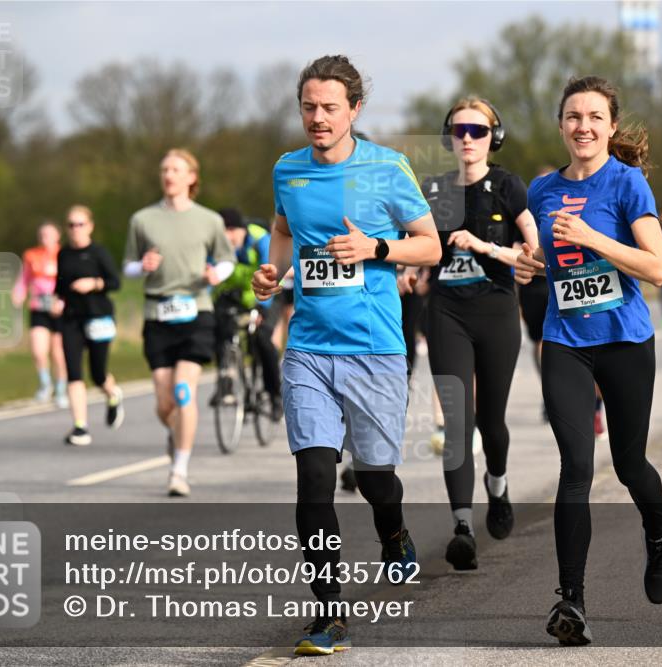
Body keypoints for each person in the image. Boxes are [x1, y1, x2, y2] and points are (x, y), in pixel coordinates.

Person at [251, 55, 440, 656]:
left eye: (330, 107)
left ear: (355, 109)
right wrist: (273, 270)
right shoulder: (288, 170)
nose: (318, 117)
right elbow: (282, 229)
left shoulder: (388, 168)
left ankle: (395, 532)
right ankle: (329, 615)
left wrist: (374, 247)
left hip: (375, 349)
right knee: (313, 481)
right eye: (308, 106)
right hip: (308, 348)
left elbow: (430, 246)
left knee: (378, 477)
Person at [515, 76, 662, 646]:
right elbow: (548, 257)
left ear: (610, 126)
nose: (582, 126)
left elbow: (656, 268)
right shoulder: (541, 191)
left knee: (631, 465)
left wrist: (592, 237)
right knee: (576, 470)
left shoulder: (627, 184)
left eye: (594, 117)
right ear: (561, 125)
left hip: (625, 343)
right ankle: (572, 603)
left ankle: (658, 536)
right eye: (572, 117)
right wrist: (531, 264)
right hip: (565, 343)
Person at [417, 96, 539, 571]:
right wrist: (411, 271)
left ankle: (499, 483)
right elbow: (420, 244)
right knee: (456, 423)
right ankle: (463, 527)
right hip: (446, 310)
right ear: (449, 136)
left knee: (491, 420)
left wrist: (485, 245)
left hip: (495, 311)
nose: (468, 139)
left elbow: (535, 254)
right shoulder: (433, 189)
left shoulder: (509, 187)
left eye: (478, 131)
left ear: (494, 137)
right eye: (460, 131)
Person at [123, 148, 235, 496]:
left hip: (196, 311)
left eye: (176, 169)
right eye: (164, 169)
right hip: (158, 314)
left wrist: (216, 272)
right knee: (164, 401)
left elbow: (227, 260)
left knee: (184, 391)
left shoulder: (209, 220)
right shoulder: (142, 219)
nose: (169, 174)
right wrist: (143, 266)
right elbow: (127, 267)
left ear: (191, 177)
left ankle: (179, 471)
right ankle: (178, 434)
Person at [54, 205, 124, 446]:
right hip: (71, 319)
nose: (76, 229)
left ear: (90, 226)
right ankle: (80, 427)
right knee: (74, 373)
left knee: (97, 374)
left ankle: (112, 394)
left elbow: (116, 282)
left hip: (98, 317)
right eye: (71, 225)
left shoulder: (99, 252)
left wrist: (93, 283)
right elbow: (60, 287)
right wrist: (57, 301)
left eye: (80, 224)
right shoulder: (63, 254)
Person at [211, 208, 282, 419]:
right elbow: (209, 276)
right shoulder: (217, 245)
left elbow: (272, 273)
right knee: (217, 327)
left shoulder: (260, 240)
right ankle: (226, 381)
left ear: (241, 230)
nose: (227, 237)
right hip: (233, 297)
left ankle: (274, 394)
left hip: (265, 296)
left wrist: (262, 307)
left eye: (231, 230)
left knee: (262, 339)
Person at [12, 222, 69, 408]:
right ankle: (45, 385)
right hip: (38, 307)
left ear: (57, 236)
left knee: (59, 354)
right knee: (38, 351)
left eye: (49, 234)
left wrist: (61, 303)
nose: (45, 237)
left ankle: (61, 390)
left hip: (60, 309)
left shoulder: (65, 255)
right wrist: (18, 293)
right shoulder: (31, 255)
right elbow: (24, 278)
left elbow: (70, 282)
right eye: (42, 234)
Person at [518, 166, 555, 422]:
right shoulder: (523, 213)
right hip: (532, 286)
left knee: (546, 342)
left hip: (558, 282)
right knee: (541, 342)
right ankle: (551, 393)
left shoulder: (566, 208)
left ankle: (553, 393)